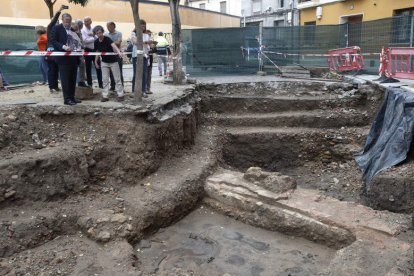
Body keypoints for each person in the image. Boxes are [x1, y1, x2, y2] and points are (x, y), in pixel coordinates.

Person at [50, 13, 81, 105]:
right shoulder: (57, 28)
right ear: (62, 20)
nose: (68, 23)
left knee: (72, 78)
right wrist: (63, 47)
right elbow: (53, 40)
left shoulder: (72, 30)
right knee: (65, 79)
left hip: (73, 58)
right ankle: (66, 99)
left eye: (69, 22)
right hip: (63, 59)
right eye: (66, 22)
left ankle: (72, 97)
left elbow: (77, 41)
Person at [94, 25, 124, 102]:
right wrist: (96, 61)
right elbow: (97, 52)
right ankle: (105, 95)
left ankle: (120, 94)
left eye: (100, 32)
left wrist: (118, 52)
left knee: (117, 78)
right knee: (105, 79)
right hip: (104, 62)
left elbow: (113, 45)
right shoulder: (96, 42)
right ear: (96, 34)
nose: (99, 34)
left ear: (103, 32)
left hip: (113, 61)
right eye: (97, 33)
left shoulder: (107, 39)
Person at [46, 5, 67, 93]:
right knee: (52, 70)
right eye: (56, 21)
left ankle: (55, 86)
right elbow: (54, 20)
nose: (57, 22)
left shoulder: (59, 30)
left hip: (57, 52)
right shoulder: (50, 27)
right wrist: (59, 11)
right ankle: (52, 87)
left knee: (56, 70)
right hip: (51, 52)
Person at [82, 16, 102, 88]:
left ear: (91, 22)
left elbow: (99, 37)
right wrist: (94, 37)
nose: (86, 23)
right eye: (85, 21)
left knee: (98, 67)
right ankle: (90, 84)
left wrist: (93, 36)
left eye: (88, 21)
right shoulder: (83, 30)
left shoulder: (94, 29)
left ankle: (101, 84)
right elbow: (85, 41)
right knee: (88, 68)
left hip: (95, 50)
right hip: (87, 50)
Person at [104, 21, 124, 90]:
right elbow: (104, 43)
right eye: (107, 26)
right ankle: (113, 86)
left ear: (113, 26)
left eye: (109, 26)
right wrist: (112, 42)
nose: (108, 28)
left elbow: (118, 43)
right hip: (109, 55)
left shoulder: (119, 33)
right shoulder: (105, 34)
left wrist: (109, 42)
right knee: (110, 72)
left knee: (119, 71)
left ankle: (121, 86)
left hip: (117, 54)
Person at [73, 20, 89, 87]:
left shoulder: (80, 32)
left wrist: (83, 46)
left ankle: (81, 81)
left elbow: (81, 42)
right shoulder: (73, 32)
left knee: (82, 66)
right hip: (74, 52)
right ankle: (77, 81)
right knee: (74, 67)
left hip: (80, 52)